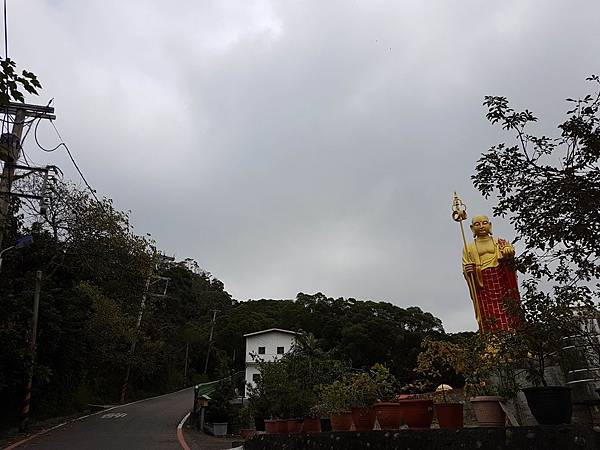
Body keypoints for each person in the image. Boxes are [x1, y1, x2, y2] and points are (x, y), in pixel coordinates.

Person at [462, 215, 520, 332]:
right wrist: (468, 271)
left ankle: (513, 333)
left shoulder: (499, 242)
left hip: (501, 279)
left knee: (508, 305)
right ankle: (492, 339)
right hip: (483, 282)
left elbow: (509, 250)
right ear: (472, 228)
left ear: (490, 225)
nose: (482, 226)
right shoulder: (469, 247)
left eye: (484, 223)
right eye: (477, 224)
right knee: (487, 311)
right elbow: (466, 266)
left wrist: (508, 251)